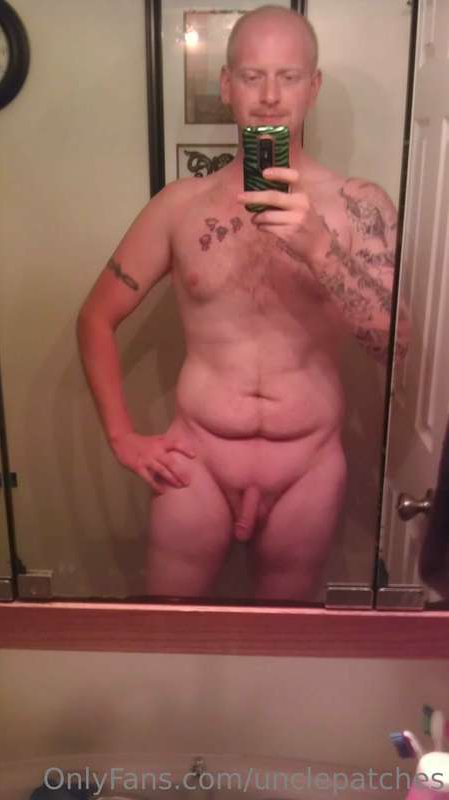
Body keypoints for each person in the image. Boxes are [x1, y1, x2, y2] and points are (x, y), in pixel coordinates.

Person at [77, 5, 410, 601]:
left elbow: (397, 348)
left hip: (308, 466)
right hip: (197, 460)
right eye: (253, 76)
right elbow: (95, 318)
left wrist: (320, 249)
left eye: (289, 76)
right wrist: (123, 437)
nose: (270, 96)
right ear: (227, 86)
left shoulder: (358, 205)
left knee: (280, 642)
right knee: (170, 629)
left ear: (313, 87)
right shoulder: (181, 206)